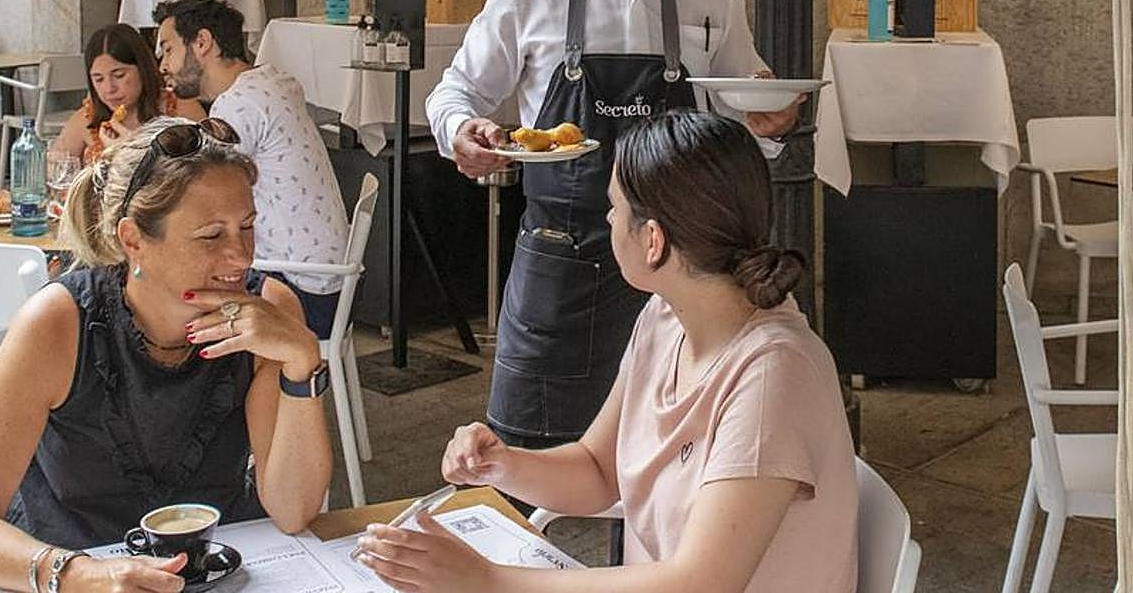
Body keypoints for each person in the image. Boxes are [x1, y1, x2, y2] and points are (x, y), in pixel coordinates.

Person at [426, 0, 801, 450]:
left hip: (689, 267)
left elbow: (748, 109)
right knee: (519, 454)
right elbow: (457, 90)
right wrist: (462, 129)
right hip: (561, 256)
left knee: (673, 462)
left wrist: (769, 123)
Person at [358, 111, 856, 592]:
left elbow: (701, 583)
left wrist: (487, 581)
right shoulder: (667, 318)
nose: (610, 219)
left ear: (654, 240)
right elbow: (598, 470)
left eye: (615, 208)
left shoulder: (773, 374)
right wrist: (503, 464)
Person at [0, 117, 333, 590]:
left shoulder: (266, 315)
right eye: (212, 235)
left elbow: (293, 511)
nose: (242, 256)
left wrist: (301, 358)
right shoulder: (58, 324)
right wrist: (82, 576)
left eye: (247, 226)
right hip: (69, 567)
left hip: (214, 572)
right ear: (134, 240)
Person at [155, 0, 350, 339]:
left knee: (165, 286)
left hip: (300, 293)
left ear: (202, 42)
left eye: (168, 49)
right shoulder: (270, 80)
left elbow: (195, 192)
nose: (162, 66)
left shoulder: (241, 105)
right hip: (329, 284)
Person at [51, 23, 204, 165]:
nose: (109, 88)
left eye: (119, 76)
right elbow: (54, 172)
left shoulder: (183, 112)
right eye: (98, 79)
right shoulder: (87, 119)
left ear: (142, 70)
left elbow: (206, 173)